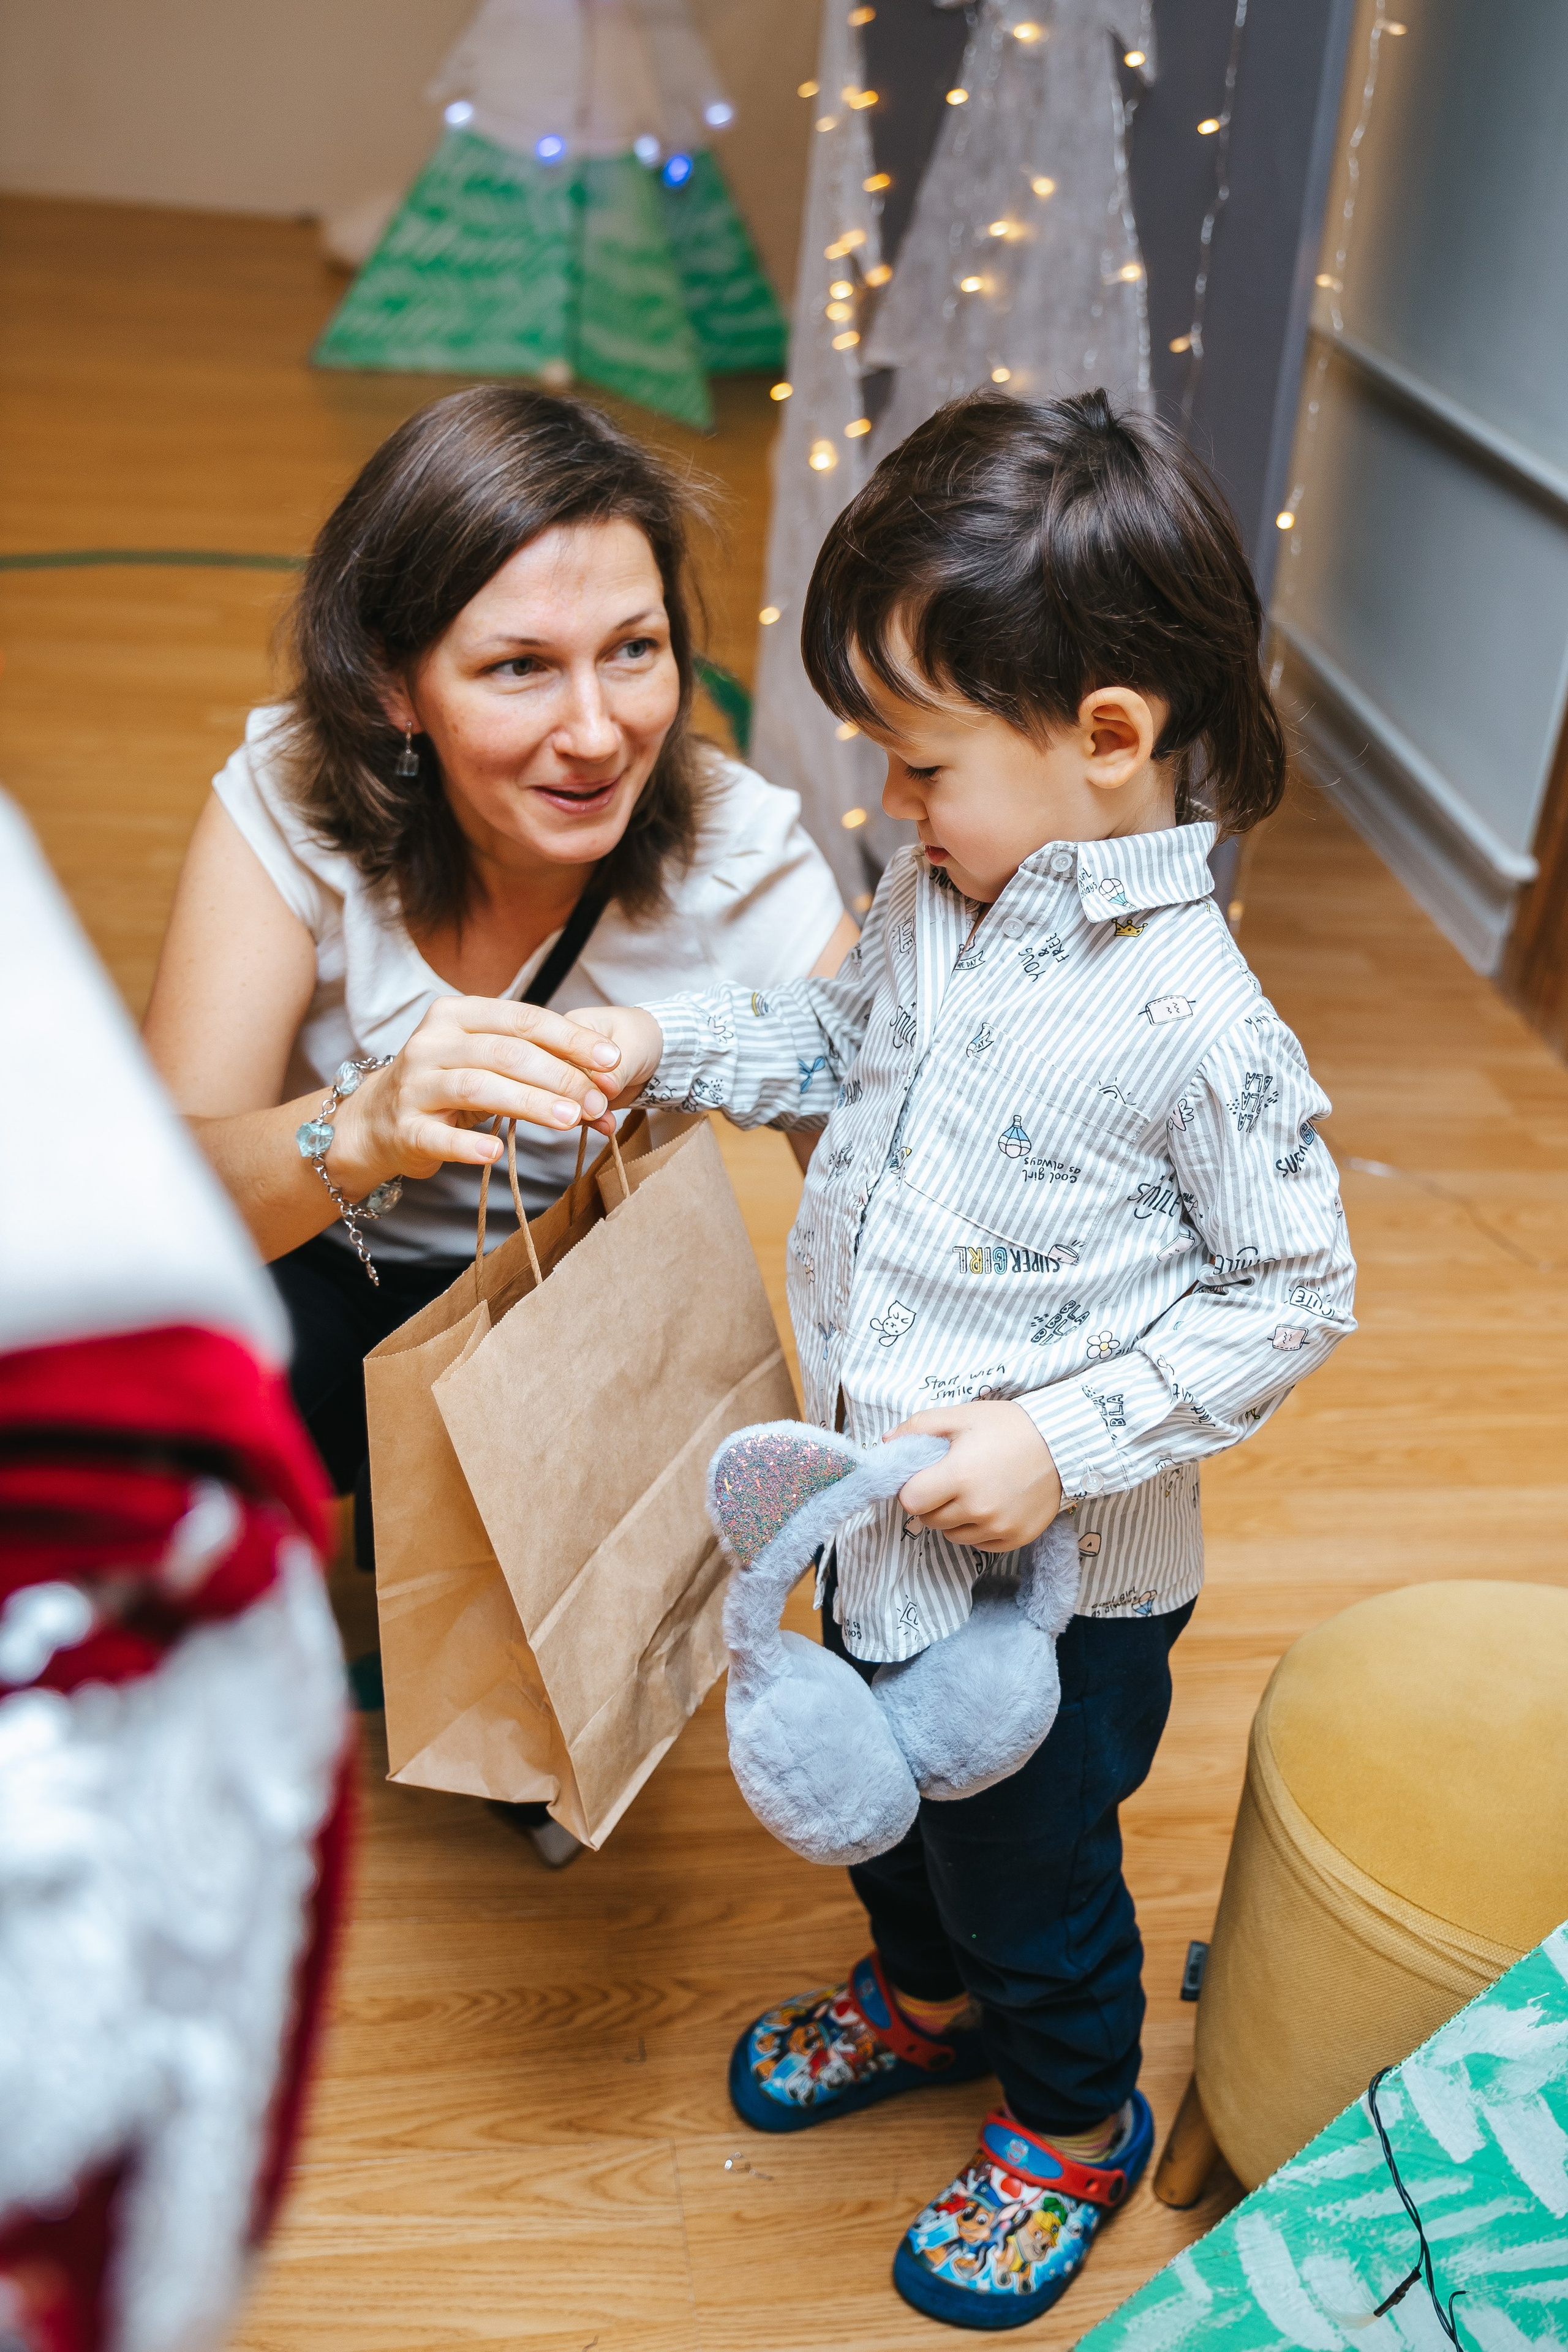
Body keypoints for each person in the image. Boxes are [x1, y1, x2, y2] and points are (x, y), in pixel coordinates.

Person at [568, 388, 1357, 2328]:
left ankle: (1073, 2116)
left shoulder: (1204, 1024)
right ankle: (920, 2004)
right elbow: (831, 1053)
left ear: (1104, 740)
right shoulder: (942, 900)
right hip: (872, 1521)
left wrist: (1061, 1437)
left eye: (922, 765)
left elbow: (1290, 1293)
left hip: (1056, 1589)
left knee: (1030, 1875)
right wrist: (661, 1053)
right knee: (881, 1811)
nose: (894, 810)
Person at [143, 385, 853, 1864]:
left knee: (538, 1687)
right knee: (158, 1412)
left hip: (562, 1301)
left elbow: (879, 1163)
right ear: (397, 688)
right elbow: (168, 1201)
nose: (596, 733)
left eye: (634, 653)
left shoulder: (732, 855)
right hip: (315, 1256)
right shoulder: (291, 798)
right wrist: (371, 1122)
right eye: (518, 667)